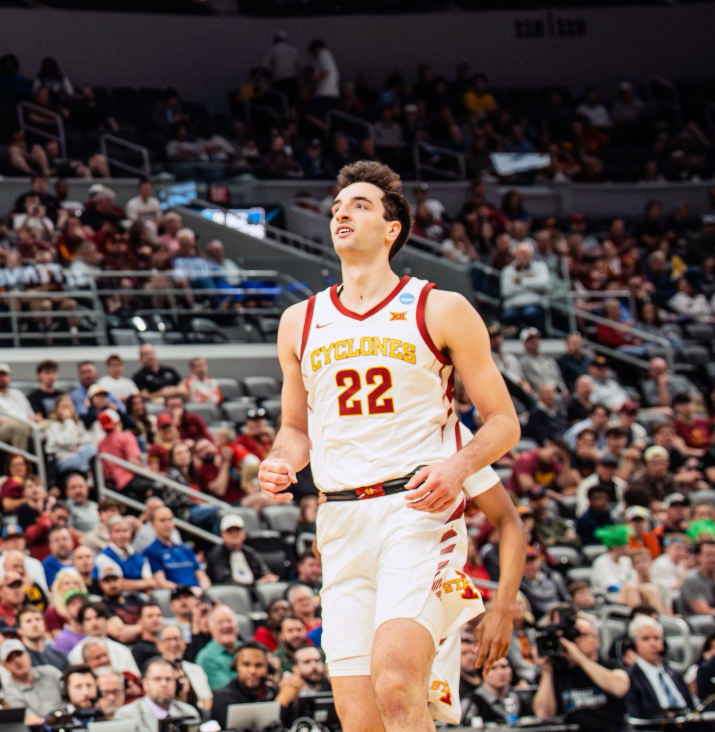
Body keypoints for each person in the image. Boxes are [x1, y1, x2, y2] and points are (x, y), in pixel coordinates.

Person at [257, 162, 517, 732]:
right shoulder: (298, 321)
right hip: (341, 521)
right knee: (361, 718)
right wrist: (279, 461)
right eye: (336, 208)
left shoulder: (439, 307)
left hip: (415, 511)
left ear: (392, 228)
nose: (341, 213)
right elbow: (296, 430)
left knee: (398, 683)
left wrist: (459, 466)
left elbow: (503, 422)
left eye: (359, 205)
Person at [532, 608, 627, 731]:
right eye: (571, 637)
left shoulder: (609, 665)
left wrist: (579, 659)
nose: (576, 640)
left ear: (597, 641)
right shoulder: (559, 672)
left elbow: (619, 688)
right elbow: (543, 714)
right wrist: (546, 671)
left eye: (580, 635)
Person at [114, 658, 202, 732]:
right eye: (157, 679)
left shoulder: (189, 712)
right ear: (145, 683)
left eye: (168, 679)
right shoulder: (127, 715)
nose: (164, 684)